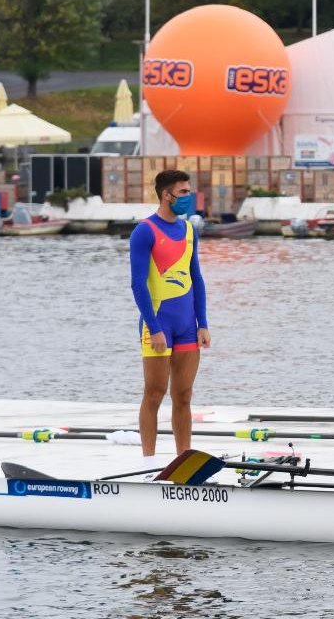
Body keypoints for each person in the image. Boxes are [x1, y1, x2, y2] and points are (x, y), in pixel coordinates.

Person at [129, 169, 210, 472]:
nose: (189, 197)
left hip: (188, 324)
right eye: (184, 192)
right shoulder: (145, 231)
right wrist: (154, 327)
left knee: (184, 395)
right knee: (154, 393)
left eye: (189, 191)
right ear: (167, 195)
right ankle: (148, 462)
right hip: (158, 324)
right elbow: (138, 284)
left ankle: (183, 461)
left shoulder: (189, 230)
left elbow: (196, 278)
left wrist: (202, 322)